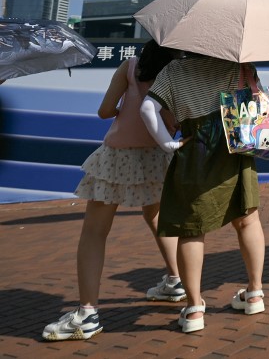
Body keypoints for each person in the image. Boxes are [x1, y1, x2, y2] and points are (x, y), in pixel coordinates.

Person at [42, 41, 182, 342]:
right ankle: (175, 280)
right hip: (159, 157)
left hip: (118, 157)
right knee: (157, 215)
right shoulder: (180, 72)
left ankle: (87, 313)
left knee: (94, 232)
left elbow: (104, 111)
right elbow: (177, 121)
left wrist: (125, 107)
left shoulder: (130, 66)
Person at [140, 52, 268, 333]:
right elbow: (259, 101)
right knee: (247, 219)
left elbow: (147, 108)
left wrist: (166, 144)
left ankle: (195, 308)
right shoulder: (241, 64)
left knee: (190, 229)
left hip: (196, 148)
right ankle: (255, 293)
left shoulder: (174, 70)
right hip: (237, 146)